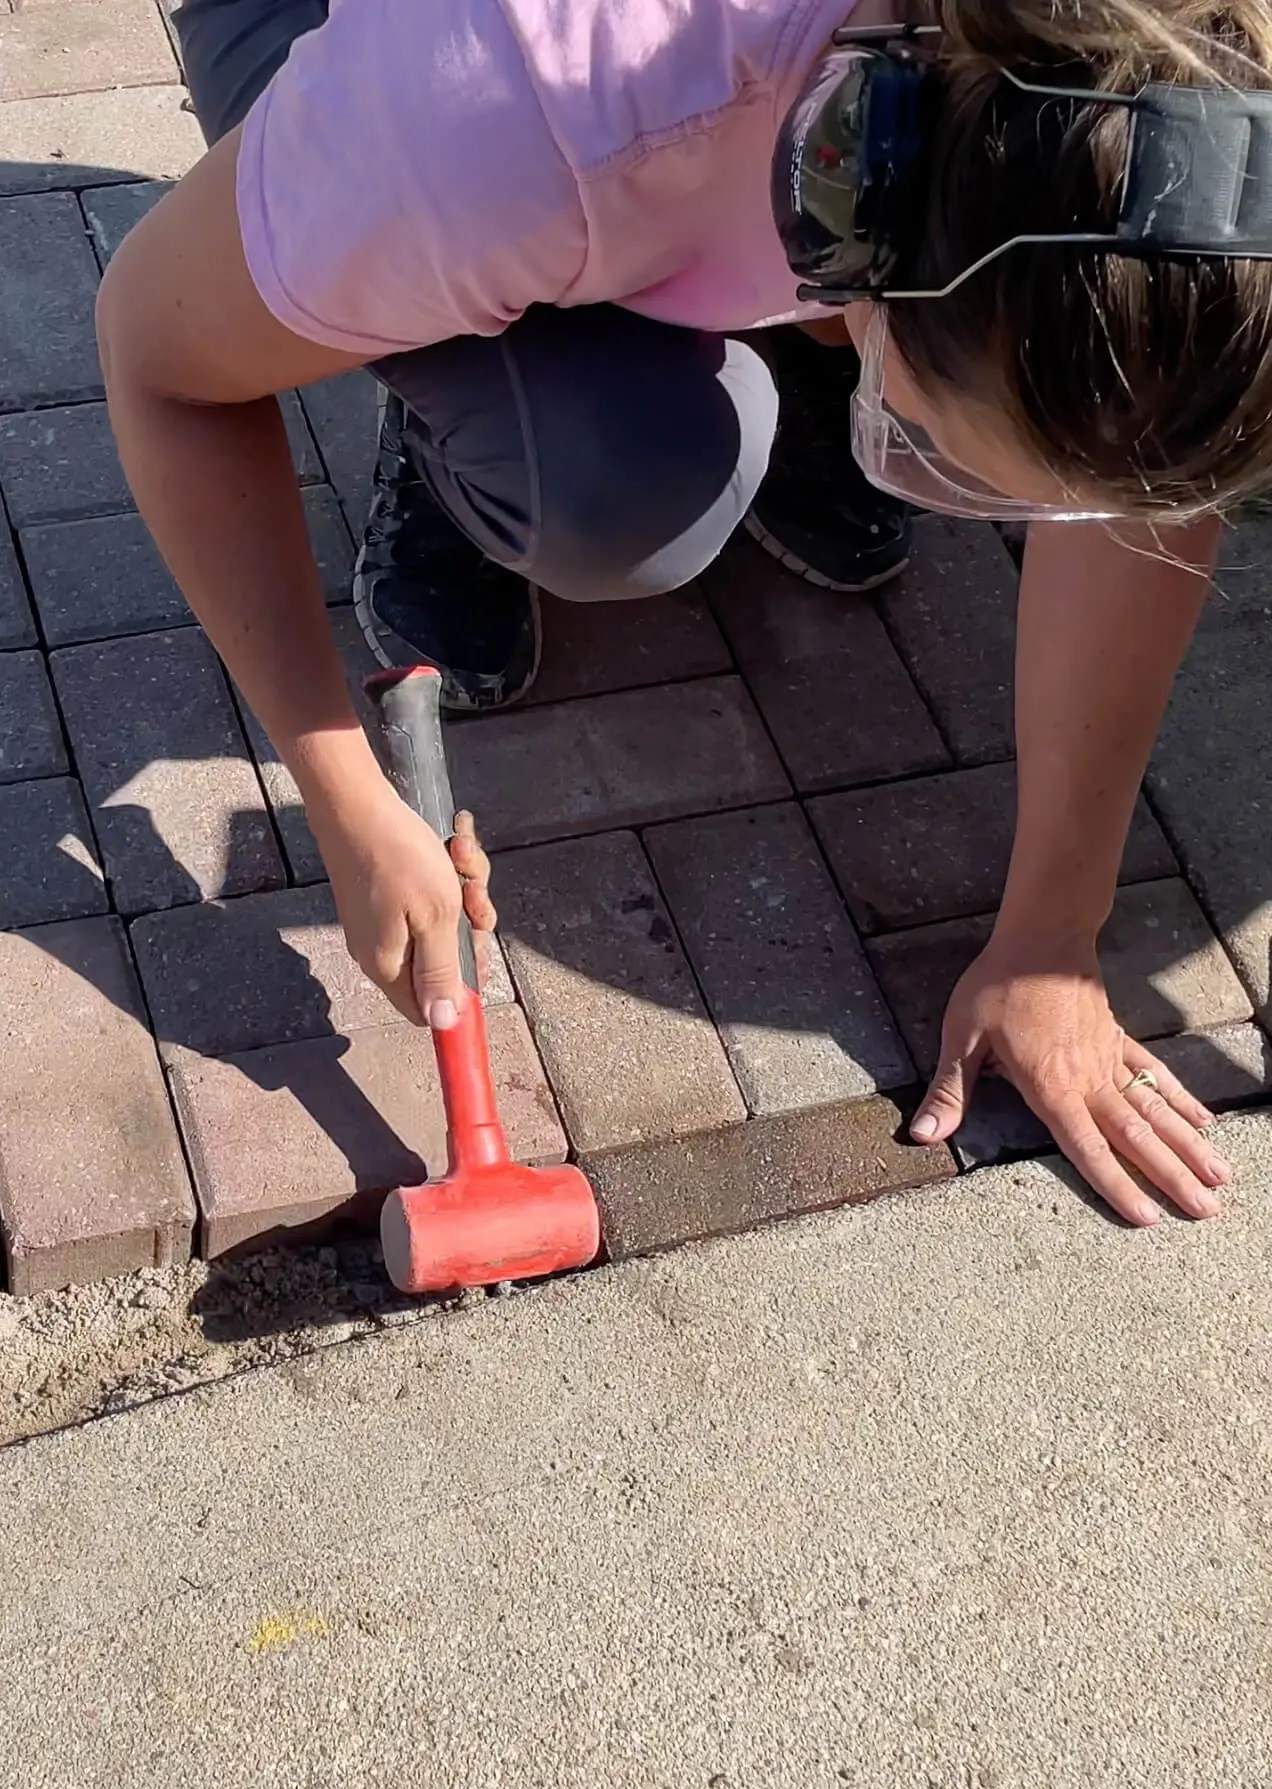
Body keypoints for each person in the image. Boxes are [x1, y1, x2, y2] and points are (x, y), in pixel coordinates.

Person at [95, 0, 1263, 1231]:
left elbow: (1144, 451)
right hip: (367, 50)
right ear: (859, 217)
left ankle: (792, 359)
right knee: (617, 491)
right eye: (940, 449)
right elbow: (153, 355)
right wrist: (340, 797)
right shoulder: (510, 122)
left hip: (742, 149)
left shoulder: (1174, 74)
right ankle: (440, 403)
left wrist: (1051, 937)